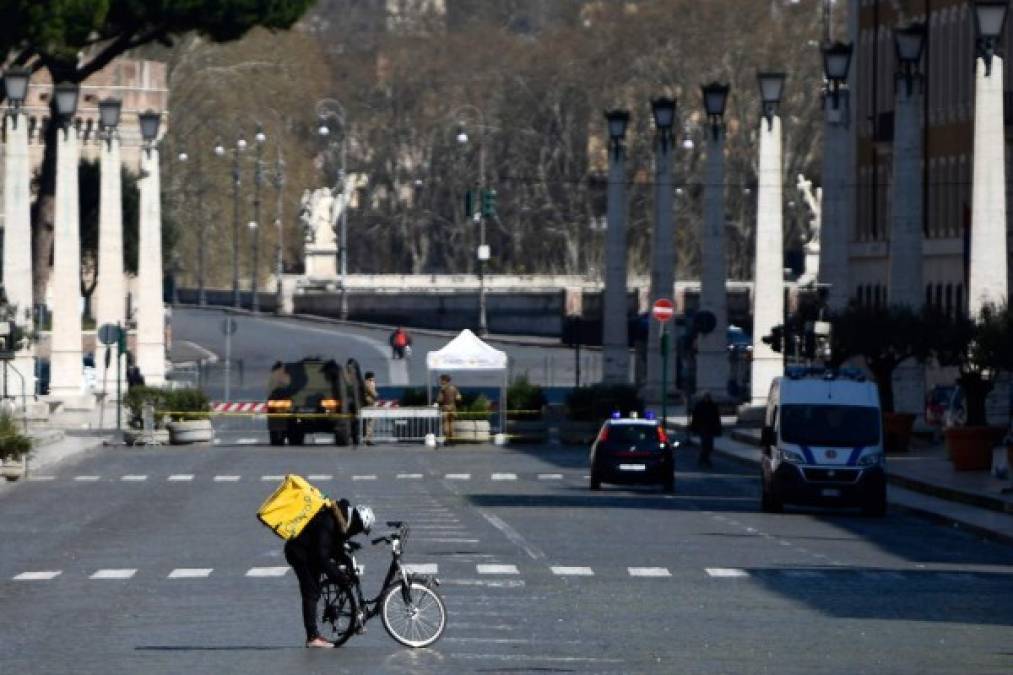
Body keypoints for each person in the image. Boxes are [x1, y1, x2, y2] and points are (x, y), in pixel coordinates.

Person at [284, 500, 376, 648]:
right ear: (358, 521)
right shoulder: (329, 522)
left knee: (318, 586)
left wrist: (346, 563)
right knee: (311, 592)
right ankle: (312, 637)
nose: (357, 533)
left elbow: (335, 548)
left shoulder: (341, 520)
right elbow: (323, 555)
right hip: (299, 552)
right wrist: (338, 576)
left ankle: (313, 634)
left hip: (311, 551)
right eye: (359, 530)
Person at [690, 392, 722, 468]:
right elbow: (695, 418)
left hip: (710, 428)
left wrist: (718, 429)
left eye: (708, 397)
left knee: (710, 445)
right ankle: (704, 459)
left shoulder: (713, 406)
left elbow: (717, 418)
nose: (707, 399)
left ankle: (704, 458)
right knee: (704, 444)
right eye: (706, 397)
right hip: (702, 428)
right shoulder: (699, 406)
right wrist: (694, 428)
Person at [436, 374, 461, 444]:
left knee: (445, 423)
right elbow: (458, 398)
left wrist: (437, 401)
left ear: (444, 380)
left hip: (445, 408)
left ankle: (447, 439)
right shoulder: (454, 388)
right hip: (453, 407)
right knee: (452, 423)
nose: (440, 381)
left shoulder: (443, 389)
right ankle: (452, 439)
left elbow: (439, 399)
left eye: (441, 380)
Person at [363, 371, 378, 445]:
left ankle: (367, 438)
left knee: (369, 421)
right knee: (371, 421)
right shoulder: (369, 383)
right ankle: (368, 439)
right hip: (371, 403)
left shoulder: (366, 382)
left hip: (368, 403)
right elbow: (372, 392)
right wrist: (376, 395)